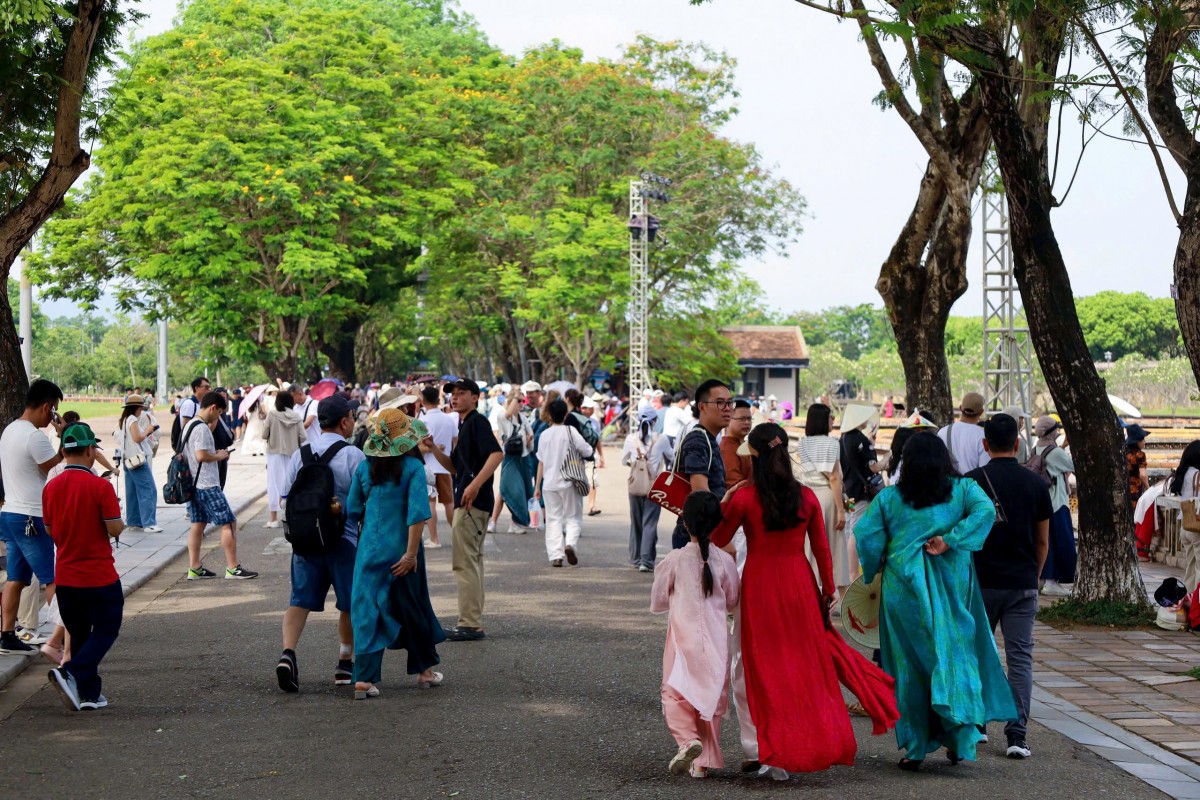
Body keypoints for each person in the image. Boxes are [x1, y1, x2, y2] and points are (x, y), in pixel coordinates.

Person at [713, 422, 898, 778]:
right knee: (798, 665)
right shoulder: (806, 497)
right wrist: (828, 591)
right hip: (799, 584)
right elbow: (822, 550)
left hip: (760, 588)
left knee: (751, 667)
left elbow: (719, 536)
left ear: (754, 455)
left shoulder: (745, 498)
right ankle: (799, 742)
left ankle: (759, 747)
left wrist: (725, 501)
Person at [855, 432, 1016, 770]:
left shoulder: (890, 498)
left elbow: (866, 536)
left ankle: (914, 748)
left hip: (904, 593)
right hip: (953, 588)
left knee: (910, 667)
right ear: (945, 459)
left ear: (906, 462)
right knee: (954, 657)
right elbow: (986, 513)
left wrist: (873, 569)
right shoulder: (964, 490)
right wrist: (951, 540)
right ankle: (959, 740)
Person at [966, 413, 1051, 760]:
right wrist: (1034, 576)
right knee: (1020, 660)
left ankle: (978, 725)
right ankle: (1017, 735)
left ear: (985, 445)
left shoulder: (971, 482)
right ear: (1017, 444)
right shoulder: (1035, 484)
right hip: (1021, 584)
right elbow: (1042, 541)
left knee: (976, 654)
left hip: (980, 585)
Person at [344, 408, 443, 699]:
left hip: (369, 550)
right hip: (403, 550)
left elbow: (352, 509)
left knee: (367, 609)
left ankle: (363, 679)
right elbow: (417, 515)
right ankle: (425, 671)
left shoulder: (364, 468)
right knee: (412, 605)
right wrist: (411, 555)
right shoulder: (413, 469)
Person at [274, 395, 365, 693]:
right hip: (343, 541)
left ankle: (288, 655)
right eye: (352, 416)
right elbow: (363, 500)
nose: (353, 421)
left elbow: (285, 498)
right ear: (344, 421)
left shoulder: (301, 454)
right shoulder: (354, 455)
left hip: (306, 541)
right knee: (349, 604)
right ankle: (344, 663)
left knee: (298, 602)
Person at [651, 491, 739, 779]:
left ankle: (688, 742)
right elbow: (732, 599)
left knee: (675, 693)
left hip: (682, 640)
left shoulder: (675, 560)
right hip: (715, 641)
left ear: (684, 523)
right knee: (710, 699)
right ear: (716, 525)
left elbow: (659, 600)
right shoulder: (724, 562)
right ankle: (702, 762)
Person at [41, 423, 125, 712]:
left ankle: (89, 694)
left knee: (79, 634)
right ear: (90, 450)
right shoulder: (100, 486)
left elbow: (50, 530)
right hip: (99, 574)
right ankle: (72, 672)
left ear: (64, 451)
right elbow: (115, 528)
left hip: (65, 575)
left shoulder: (51, 487)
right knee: (107, 627)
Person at [425, 379, 503, 642]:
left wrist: (474, 486)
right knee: (472, 562)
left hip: (472, 504)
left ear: (475, 397)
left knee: (464, 564)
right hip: (471, 503)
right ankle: (473, 620)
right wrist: (433, 447)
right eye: (452, 395)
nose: (455, 398)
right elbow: (454, 468)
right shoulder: (465, 424)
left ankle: (470, 623)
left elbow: (496, 454)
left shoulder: (477, 423)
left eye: (461, 394)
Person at [0, 380, 66, 656]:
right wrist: (63, 435)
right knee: (51, 579)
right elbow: (56, 468)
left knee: (16, 577)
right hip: (30, 516)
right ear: (47, 407)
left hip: (10, 513)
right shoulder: (34, 436)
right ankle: (64, 639)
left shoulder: (10, 430)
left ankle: (6, 635)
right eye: (53, 411)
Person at [182, 393, 258, 581]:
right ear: (213, 407)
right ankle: (233, 567)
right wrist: (219, 456)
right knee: (228, 522)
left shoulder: (189, 425)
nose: (218, 417)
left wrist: (214, 453)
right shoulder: (201, 428)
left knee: (197, 524)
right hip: (207, 484)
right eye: (219, 413)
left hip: (192, 482)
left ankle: (195, 567)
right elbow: (201, 456)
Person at [795, 403, 850, 600]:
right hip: (828, 497)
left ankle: (810, 592)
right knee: (835, 546)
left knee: (811, 545)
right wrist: (841, 510)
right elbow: (834, 478)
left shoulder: (802, 443)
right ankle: (842, 597)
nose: (833, 420)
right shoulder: (832, 443)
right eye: (830, 416)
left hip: (807, 497)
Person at [671, 380, 733, 550]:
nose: (727, 408)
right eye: (720, 403)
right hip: (698, 539)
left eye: (729, 403)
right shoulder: (698, 440)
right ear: (702, 407)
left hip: (702, 536)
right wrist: (722, 539)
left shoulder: (709, 439)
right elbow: (701, 494)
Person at [534, 399, 595, 567]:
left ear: (550, 416)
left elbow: (541, 462)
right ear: (566, 414)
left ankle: (556, 555)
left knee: (553, 519)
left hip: (549, 484)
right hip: (569, 481)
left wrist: (537, 486)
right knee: (573, 517)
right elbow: (587, 450)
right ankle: (570, 544)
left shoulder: (544, 435)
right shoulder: (571, 431)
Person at [622, 406, 674, 572]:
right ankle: (646, 561)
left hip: (635, 485)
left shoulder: (631, 438)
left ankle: (636, 558)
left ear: (638, 420)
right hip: (654, 486)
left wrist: (636, 464)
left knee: (636, 522)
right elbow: (671, 458)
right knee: (650, 523)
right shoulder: (662, 439)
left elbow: (624, 461)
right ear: (655, 421)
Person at [1032, 417, 1077, 596]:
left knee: (1045, 541)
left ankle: (1043, 578)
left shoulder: (1035, 449)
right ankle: (1052, 581)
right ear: (1051, 432)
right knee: (1061, 542)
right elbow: (1074, 466)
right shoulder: (1056, 453)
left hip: (1041, 504)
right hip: (1057, 503)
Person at [839, 402, 887, 562]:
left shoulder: (843, 438)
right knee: (856, 529)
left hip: (847, 493)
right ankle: (852, 571)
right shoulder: (861, 440)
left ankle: (845, 566)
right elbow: (874, 467)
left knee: (848, 527)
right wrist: (888, 456)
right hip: (861, 493)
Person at [417, 385, 457, 547]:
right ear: (439, 399)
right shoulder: (448, 419)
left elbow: (417, 447)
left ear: (423, 401)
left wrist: (429, 448)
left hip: (428, 468)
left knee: (430, 503)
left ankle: (434, 539)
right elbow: (456, 441)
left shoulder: (423, 421)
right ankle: (459, 536)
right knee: (449, 503)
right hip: (445, 467)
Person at [488, 393, 533, 534]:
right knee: (512, 490)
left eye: (521, 401)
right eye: (518, 401)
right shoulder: (503, 416)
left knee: (510, 490)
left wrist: (529, 438)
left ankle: (510, 522)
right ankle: (498, 522)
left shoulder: (524, 418)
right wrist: (515, 396)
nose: (520, 403)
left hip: (523, 457)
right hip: (511, 458)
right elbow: (507, 414)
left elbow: (530, 434)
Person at [119, 395, 162, 533]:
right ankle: (149, 523)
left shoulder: (124, 420)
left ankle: (134, 521)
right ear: (136, 408)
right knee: (149, 489)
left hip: (128, 459)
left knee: (131, 492)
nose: (141, 411)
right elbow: (137, 437)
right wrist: (148, 430)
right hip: (137, 460)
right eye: (140, 408)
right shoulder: (132, 419)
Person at [264, 391, 305, 529]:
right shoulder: (297, 416)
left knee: (273, 484)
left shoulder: (272, 414)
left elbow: (264, 434)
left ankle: (274, 519)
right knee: (292, 483)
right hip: (293, 453)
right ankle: (291, 515)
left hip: (274, 453)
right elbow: (303, 437)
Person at [937, 391, 990, 474]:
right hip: (973, 485)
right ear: (981, 412)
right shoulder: (983, 435)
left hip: (947, 485)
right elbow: (985, 469)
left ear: (961, 408)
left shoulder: (943, 432)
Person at [1171, 441, 1200, 589]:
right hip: (1197, 527)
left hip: (1185, 525)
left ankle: (1188, 600)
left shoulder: (1183, 473)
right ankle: (1198, 603)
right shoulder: (1198, 475)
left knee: (1191, 567)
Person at [719, 399, 753, 486]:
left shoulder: (747, 444)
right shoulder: (727, 448)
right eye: (742, 419)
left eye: (749, 419)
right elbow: (734, 486)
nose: (747, 422)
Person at [1126, 423, 1150, 512]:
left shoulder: (1124, 452)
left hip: (1124, 490)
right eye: (1142, 439)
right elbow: (1143, 475)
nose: (1144, 442)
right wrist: (1148, 487)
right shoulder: (1139, 455)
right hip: (1135, 491)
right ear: (1137, 441)